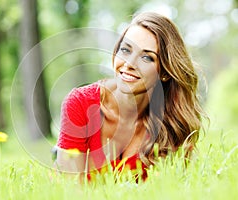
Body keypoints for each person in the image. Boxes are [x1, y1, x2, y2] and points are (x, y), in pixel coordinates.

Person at [53, 12, 204, 181]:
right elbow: (69, 189)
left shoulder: (172, 125)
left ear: (164, 73)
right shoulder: (80, 103)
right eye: (125, 50)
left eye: (146, 57)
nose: (129, 64)